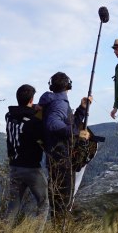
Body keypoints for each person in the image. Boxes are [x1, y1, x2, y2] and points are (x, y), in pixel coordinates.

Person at [38, 72, 90, 222]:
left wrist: (81, 109)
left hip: (54, 157)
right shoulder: (60, 103)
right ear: (69, 85)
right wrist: (77, 133)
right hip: (61, 158)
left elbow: (68, 123)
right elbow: (53, 124)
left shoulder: (53, 101)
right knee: (63, 202)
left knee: (57, 201)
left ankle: (57, 225)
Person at [4, 84, 49, 233]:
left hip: (14, 167)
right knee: (43, 203)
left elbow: (22, 112)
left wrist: (33, 108)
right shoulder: (33, 121)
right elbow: (42, 134)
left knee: (12, 207)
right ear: (31, 99)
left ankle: (4, 230)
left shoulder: (9, 116)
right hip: (31, 168)